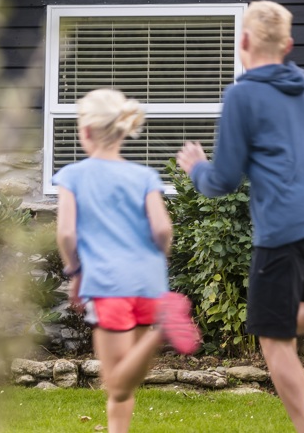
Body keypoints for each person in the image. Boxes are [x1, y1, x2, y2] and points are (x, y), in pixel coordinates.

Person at [176, 0, 304, 433]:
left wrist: (196, 166)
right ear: (288, 44)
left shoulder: (243, 95)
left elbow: (224, 180)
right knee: (278, 322)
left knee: (273, 341)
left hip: (281, 229)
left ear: (244, 42)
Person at [54, 88, 201, 433]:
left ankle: (163, 328)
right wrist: (154, 262)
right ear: (121, 131)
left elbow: (66, 234)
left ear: (86, 131)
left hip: (107, 283)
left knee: (115, 382)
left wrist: (74, 272)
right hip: (148, 283)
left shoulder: (73, 175)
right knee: (126, 383)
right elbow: (164, 229)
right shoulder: (144, 177)